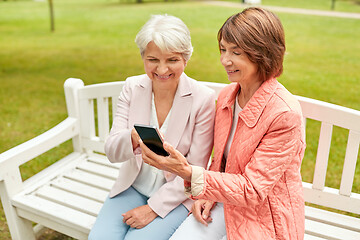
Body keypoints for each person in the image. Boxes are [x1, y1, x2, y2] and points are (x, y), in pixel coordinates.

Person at [140, 7, 306, 240]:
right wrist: (209, 194)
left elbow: (253, 190)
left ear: (263, 53)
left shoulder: (284, 114)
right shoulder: (229, 96)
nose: (225, 60)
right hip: (225, 202)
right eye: (223, 50)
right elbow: (222, 163)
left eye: (236, 52)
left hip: (265, 217)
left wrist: (187, 171)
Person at [88, 14, 216, 240]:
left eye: (172, 60)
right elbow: (112, 151)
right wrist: (133, 137)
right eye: (153, 59)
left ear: (186, 59)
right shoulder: (132, 87)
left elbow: (196, 169)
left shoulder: (202, 99)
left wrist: (153, 209)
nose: (162, 69)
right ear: (143, 58)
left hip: (176, 196)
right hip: (132, 187)